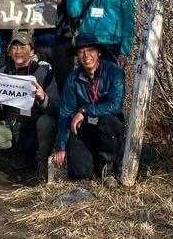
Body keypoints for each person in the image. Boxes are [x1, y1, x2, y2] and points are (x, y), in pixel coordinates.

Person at [0, 33, 58, 176]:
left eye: (22, 47)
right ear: (9, 52)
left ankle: (41, 159)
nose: (18, 51)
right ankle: (15, 154)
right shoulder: (4, 72)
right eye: (14, 48)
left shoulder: (43, 72)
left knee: (46, 122)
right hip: (13, 124)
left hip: (35, 125)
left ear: (32, 51)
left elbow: (55, 106)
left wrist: (42, 97)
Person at [53, 33, 125, 185]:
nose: (86, 56)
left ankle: (107, 168)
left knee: (109, 121)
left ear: (99, 52)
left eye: (90, 50)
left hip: (107, 126)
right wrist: (61, 146)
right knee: (79, 171)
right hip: (85, 127)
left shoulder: (115, 72)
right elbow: (65, 113)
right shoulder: (72, 79)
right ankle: (93, 162)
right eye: (81, 52)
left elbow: (115, 105)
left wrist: (85, 110)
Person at [20, 0, 72, 88]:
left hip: (62, 41)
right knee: (41, 83)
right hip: (40, 42)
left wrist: (61, 0)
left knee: (64, 82)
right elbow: (26, 10)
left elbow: (73, 10)